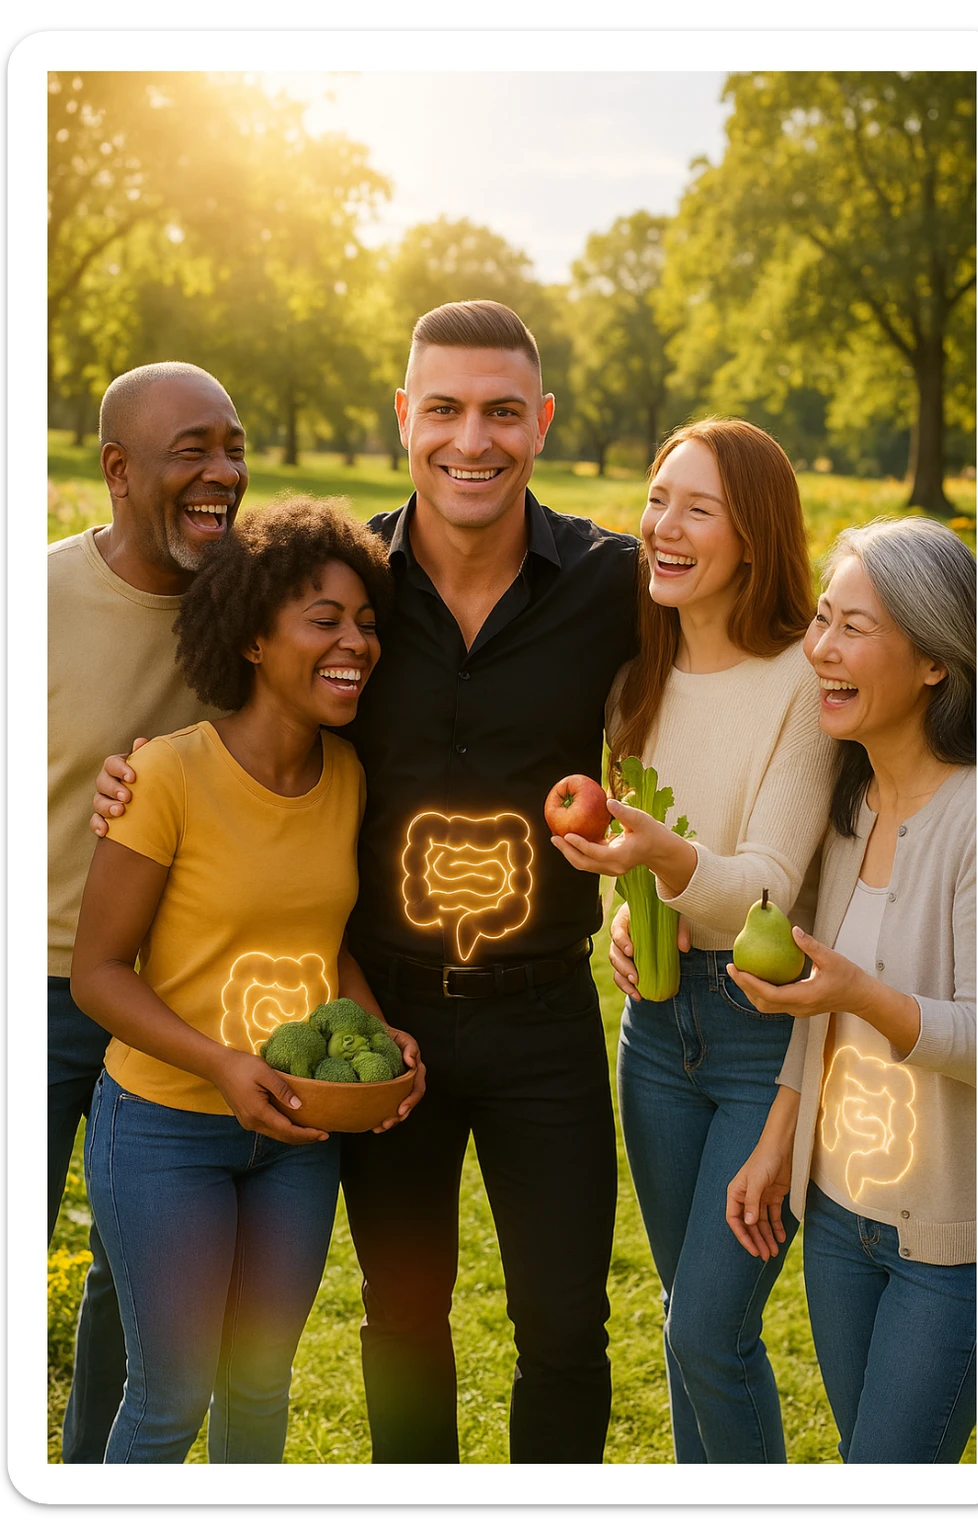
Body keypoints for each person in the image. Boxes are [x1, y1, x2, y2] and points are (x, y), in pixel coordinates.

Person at [91, 301, 639, 1464]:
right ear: (405, 418)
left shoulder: (610, 583)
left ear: (539, 424)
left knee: (564, 1331)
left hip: (545, 1015)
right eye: (442, 409)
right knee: (400, 1321)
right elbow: (228, 700)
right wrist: (121, 775)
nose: (470, 440)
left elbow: (739, 657)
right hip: (379, 1017)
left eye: (501, 411)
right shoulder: (349, 586)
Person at [70, 498, 424, 1463]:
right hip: (164, 1134)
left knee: (262, 1387)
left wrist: (378, 1037)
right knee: (168, 1400)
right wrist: (223, 1066)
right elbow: (99, 976)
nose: (356, 642)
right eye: (324, 620)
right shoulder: (166, 779)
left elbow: (327, 940)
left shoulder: (348, 775)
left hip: (298, 1138)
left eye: (366, 622)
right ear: (255, 639)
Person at [558, 418, 838, 1462]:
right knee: (685, 1320)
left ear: (754, 538)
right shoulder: (637, 678)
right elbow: (631, 850)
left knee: (710, 1332)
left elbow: (765, 885)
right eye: (657, 498)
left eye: (697, 508)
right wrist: (625, 915)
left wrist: (663, 866)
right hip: (654, 1033)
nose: (663, 529)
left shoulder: (804, 683)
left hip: (761, 1034)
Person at [725, 516, 976, 1465]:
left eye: (853, 627)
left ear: (934, 663)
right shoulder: (850, 804)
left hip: (954, 1247)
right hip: (838, 1217)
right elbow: (818, 1008)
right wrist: (778, 1143)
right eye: (821, 619)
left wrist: (857, 991)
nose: (820, 649)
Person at [48, 361, 250, 1462]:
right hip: (39, 990)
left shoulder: (249, 611)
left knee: (140, 1295)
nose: (222, 473)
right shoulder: (39, 599)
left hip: (173, 1003)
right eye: (192, 451)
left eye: (231, 446)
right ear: (118, 471)